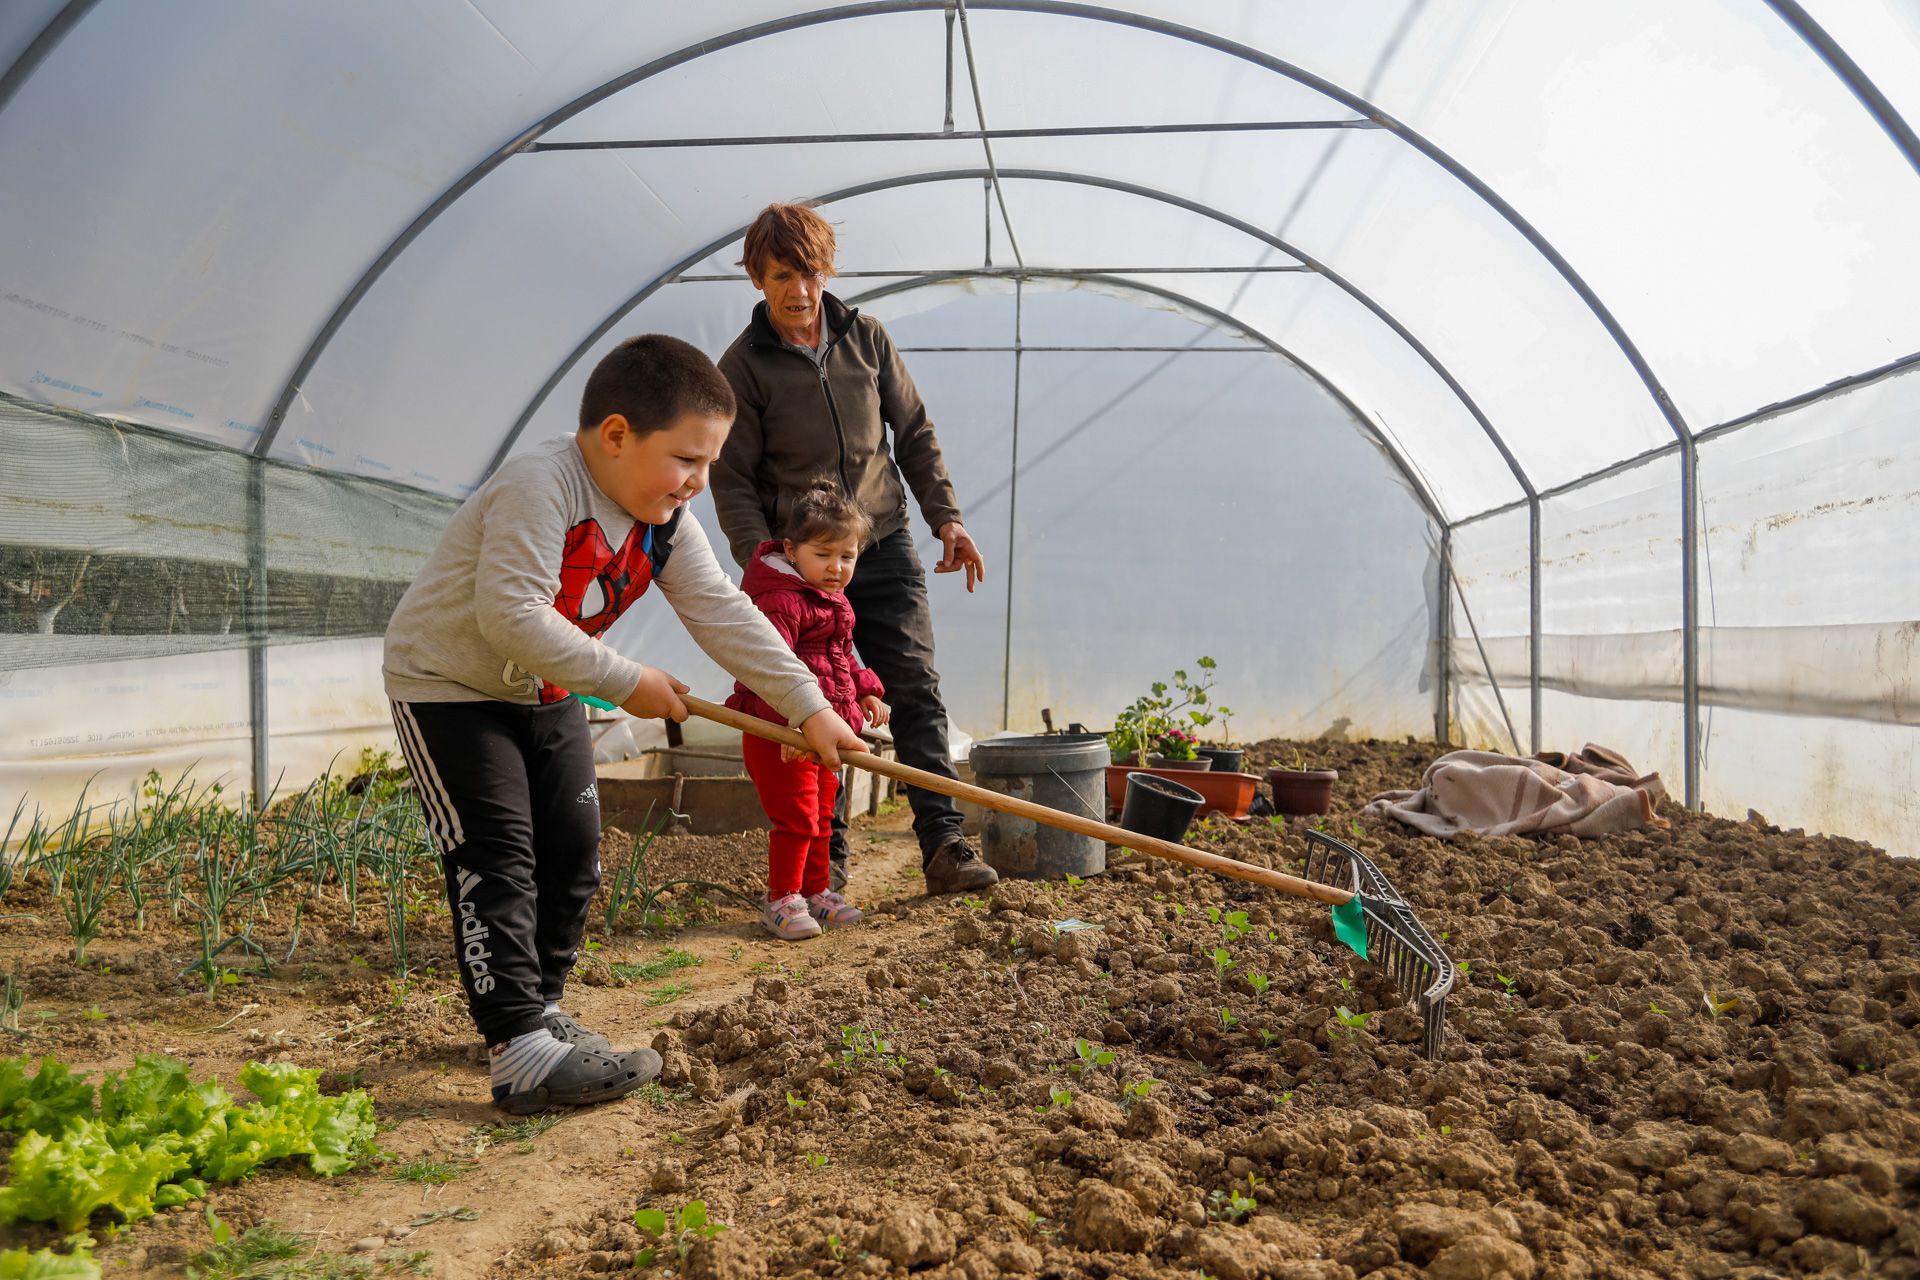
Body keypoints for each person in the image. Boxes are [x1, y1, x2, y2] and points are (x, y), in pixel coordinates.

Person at [382, 334, 866, 1115]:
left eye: (709, 466)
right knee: (498, 855)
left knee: (573, 854)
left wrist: (808, 705)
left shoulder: (665, 522)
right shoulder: (543, 485)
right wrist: (627, 681)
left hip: (546, 691)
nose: (699, 484)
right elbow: (509, 615)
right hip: (450, 687)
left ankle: (537, 1011)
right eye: (686, 461)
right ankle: (517, 1051)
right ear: (615, 436)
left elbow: (726, 614)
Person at [713, 203, 998, 896]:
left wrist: (947, 519)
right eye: (782, 274)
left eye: (809, 272)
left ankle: (944, 844)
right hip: (802, 570)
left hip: (884, 541)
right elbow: (731, 477)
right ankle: (824, 865)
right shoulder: (744, 367)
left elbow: (915, 430)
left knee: (915, 692)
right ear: (758, 278)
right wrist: (765, 567)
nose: (799, 290)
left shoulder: (866, 338)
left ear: (826, 271)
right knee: (814, 704)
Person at [727, 480, 886, 940]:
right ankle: (781, 900)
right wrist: (792, 727)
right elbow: (769, 667)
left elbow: (839, 657)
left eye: (847, 557)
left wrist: (865, 690)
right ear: (792, 551)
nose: (837, 568)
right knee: (795, 819)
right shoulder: (780, 599)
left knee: (821, 818)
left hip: (823, 732)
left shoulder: (831, 599)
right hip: (782, 733)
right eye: (824, 555)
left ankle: (817, 893)